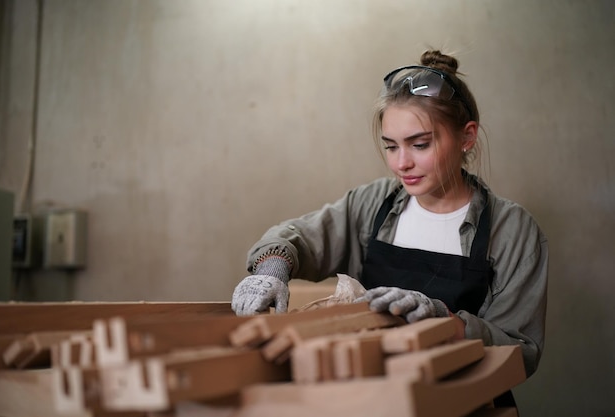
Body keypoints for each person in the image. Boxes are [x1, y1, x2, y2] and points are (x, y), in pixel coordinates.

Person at [231, 49, 548, 381]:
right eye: (391, 146)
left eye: (420, 144)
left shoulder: (513, 230)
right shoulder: (372, 205)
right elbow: (298, 237)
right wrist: (271, 270)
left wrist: (444, 321)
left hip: (464, 401)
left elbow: (519, 352)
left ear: (467, 136)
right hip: (376, 391)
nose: (401, 164)